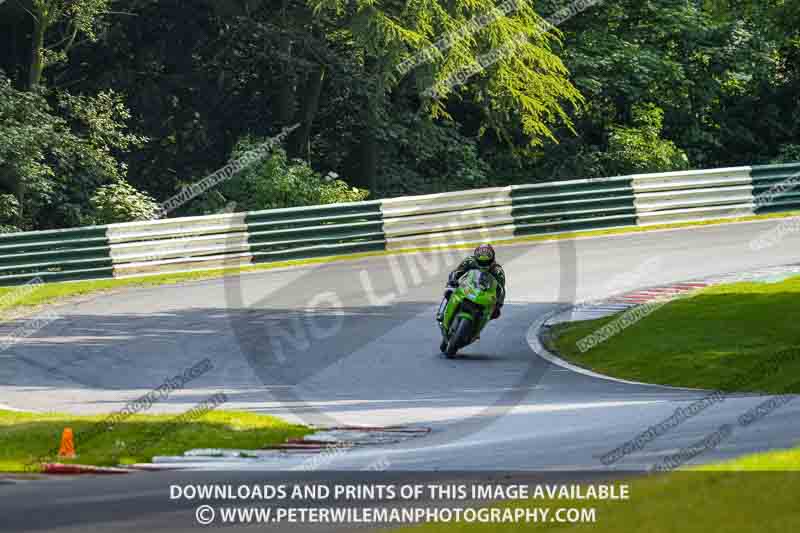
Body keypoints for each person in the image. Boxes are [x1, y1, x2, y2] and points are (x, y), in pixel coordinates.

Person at [436, 243, 506, 322]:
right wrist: (452, 281)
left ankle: (476, 330)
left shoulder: (497, 271)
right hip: (468, 286)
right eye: (480, 262)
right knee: (449, 290)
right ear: (476, 258)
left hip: (484, 294)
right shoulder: (469, 261)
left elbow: (501, 289)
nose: (483, 265)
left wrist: (498, 305)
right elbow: (457, 272)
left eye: (486, 262)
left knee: (491, 312)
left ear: (492, 260)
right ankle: (441, 312)